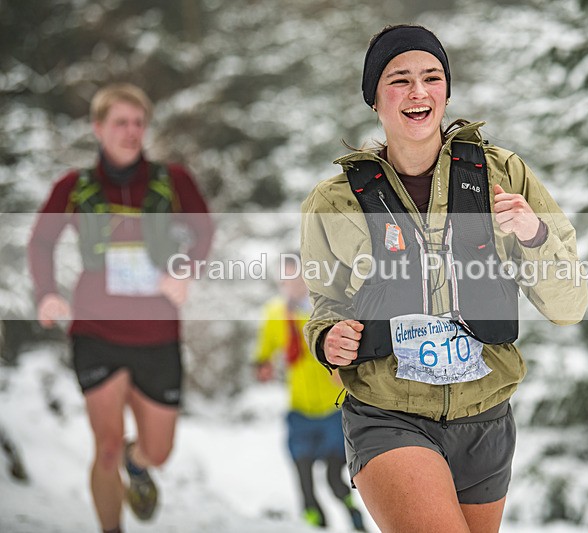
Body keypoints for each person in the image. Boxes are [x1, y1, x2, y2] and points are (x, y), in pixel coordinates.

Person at [300, 25, 588, 532]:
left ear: (447, 92)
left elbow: (569, 306)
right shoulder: (335, 201)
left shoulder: (503, 176)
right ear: (374, 98)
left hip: (486, 416)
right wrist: (327, 338)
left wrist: (534, 233)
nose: (418, 92)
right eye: (399, 79)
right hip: (388, 413)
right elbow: (326, 301)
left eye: (431, 77)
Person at [28, 83, 213, 533]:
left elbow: (204, 231)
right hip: (96, 330)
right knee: (105, 447)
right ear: (98, 128)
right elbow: (42, 241)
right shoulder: (75, 187)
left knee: (159, 451)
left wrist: (185, 269)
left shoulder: (173, 181)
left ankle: (138, 462)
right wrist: (47, 293)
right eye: (119, 123)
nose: (130, 132)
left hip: (158, 333)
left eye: (137, 123)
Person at [253, 258, 365, 531]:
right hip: (299, 410)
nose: (294, 286)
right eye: (287, 281)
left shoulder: (326, 309)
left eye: (299, 279)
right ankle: (315, 526)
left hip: (332, 410)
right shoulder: (275, 314)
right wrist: (262, 366)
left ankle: (354, 517)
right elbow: (263, 354)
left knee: (333, 478)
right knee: (303, 480)